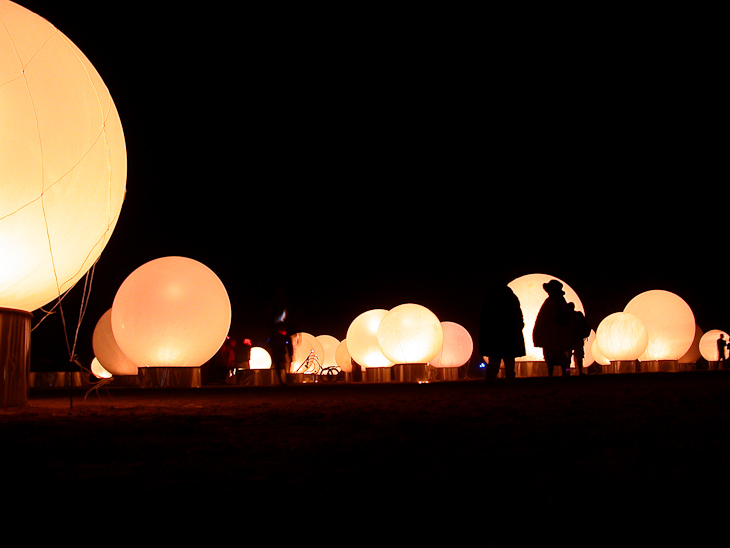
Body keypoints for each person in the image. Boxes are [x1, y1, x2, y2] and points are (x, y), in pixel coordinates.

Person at [479, 275, 526, 380]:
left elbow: (485, 315)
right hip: (508, 331)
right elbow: (517, 313)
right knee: (508, 356)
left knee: (495, 356)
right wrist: (518, 325)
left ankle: (492, 376)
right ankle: (508, 376)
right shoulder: (510, 296)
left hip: (495, 331)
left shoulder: (491, 296)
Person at [533, 279, 573, 377]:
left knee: (556, 355)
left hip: (553, 335)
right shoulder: (557, 301)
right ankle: (564, 372)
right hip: (554, 335)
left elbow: (558, 318)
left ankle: (563, 372)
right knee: (557, 355)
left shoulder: (553, 302)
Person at [568, 303, 591, 375]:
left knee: (569, 356)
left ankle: (568, 371)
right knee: (578, 356)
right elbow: (586, 325)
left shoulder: (567, 317)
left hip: (572, 339)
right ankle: (578, 370)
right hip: (576, 339)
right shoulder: (578, 315)